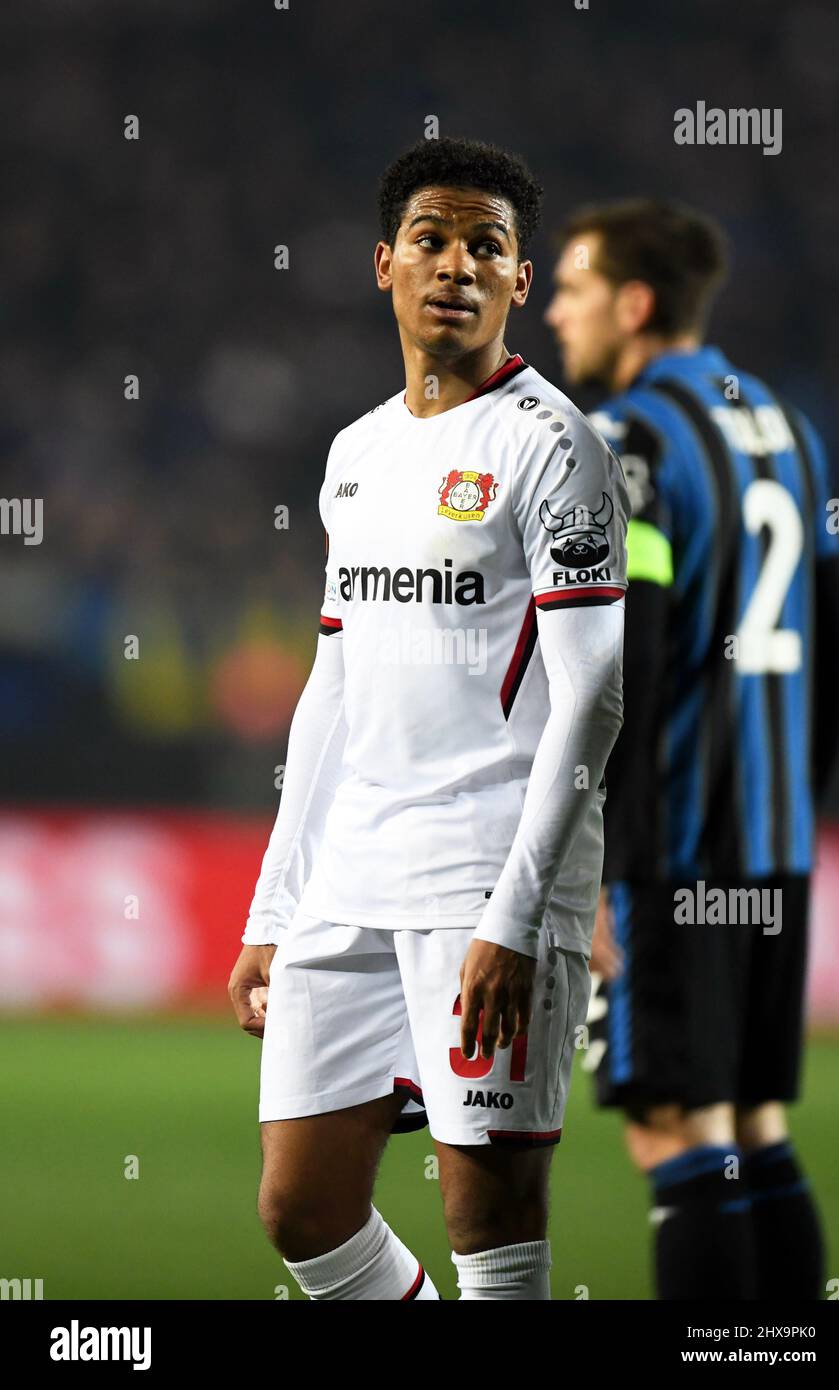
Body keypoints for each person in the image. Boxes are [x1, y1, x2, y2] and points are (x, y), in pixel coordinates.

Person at [227, 138, 630, 1301]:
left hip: (484, 875)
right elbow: (333, 685)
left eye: (485, 247)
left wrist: (515, 917)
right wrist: (275, 901)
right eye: (431, 241)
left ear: (516, 279)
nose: (455, 264)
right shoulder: (354, 455)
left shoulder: (556, 451)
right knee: (301, 1208)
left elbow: (591, 694)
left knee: (484, 1218)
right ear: (383, 265)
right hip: (350, 873)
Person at [545, 198, 839, 1300]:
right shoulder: (781, 425)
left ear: (632, 305)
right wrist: (786, 805)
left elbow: (613, 663)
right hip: (768, 852)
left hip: (668, 852)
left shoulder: (628, 441)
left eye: (573, 288)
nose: (551, 309)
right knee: (751, 1129)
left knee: (676, 1136)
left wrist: (585, 864)